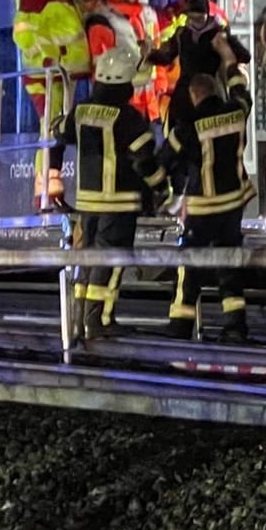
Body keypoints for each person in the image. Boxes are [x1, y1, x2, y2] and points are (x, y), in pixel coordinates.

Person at [62, 27, 169, 336]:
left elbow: (62, 135)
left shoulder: (81, 112)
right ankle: (100, 321)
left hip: (87, 202)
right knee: (111, 260)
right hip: (119, 203)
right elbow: (144, 162)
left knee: (87, 258)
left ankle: (80, 319)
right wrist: (162, 188)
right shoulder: (130, 118)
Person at [158, 29, 256, 341]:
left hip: (201, 208)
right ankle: (236, 327)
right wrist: (228, 59)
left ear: (194, 96)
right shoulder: (237, 112)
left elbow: (161, 163)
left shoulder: (187, 128)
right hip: (233, 204)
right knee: (229, 266)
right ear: (216, 91)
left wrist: (165, 196)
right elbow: (242, 89)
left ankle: (180, 325)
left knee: (190, 265)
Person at [13, 0, 90, 210]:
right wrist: (49, 57)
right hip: (45, 76)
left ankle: (51, 191)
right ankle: (44, 194)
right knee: (51, 130)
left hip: (64, 76)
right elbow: (23, 35)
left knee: (57, 131)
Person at [88, 0, 160, 123]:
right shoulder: (102, 17)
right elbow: (100, 62)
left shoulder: (148, 13)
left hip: (148, 100)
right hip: (118, 99)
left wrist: (160, 85)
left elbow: (158, 50)